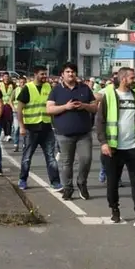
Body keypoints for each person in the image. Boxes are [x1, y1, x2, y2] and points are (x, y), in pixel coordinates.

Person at [95, 67, 135, 227]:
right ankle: (115, 210)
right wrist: (104, 142)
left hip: (134, 146)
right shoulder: (109, 97)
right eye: (132, 78)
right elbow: (100, 121)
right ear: (123, 79)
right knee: (112, 182)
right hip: (113, 148)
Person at [46, 62, 96, 200]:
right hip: (64, 134)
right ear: (62, 74)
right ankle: (68, 188)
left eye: (73, 71)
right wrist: (66, 107)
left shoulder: (84, 88)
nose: (71, 74)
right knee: (67, 162)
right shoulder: (56, 90)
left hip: (84, 133)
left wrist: (84, 106)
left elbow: (95, 107)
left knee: (86, 159)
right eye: (68, 72)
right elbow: (49, 109)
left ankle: (82, 182)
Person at [15, 66, 61, 191]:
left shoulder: (48, 87)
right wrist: (22, 127)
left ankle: (55, 181)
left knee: (50, 157)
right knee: (27, 157)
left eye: (45, 74)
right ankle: (22, 179)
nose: (44, 77)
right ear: (35, 74)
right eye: (42, 74)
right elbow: (19, 109)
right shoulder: (27, 88)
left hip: (46, 128)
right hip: (31, 128)